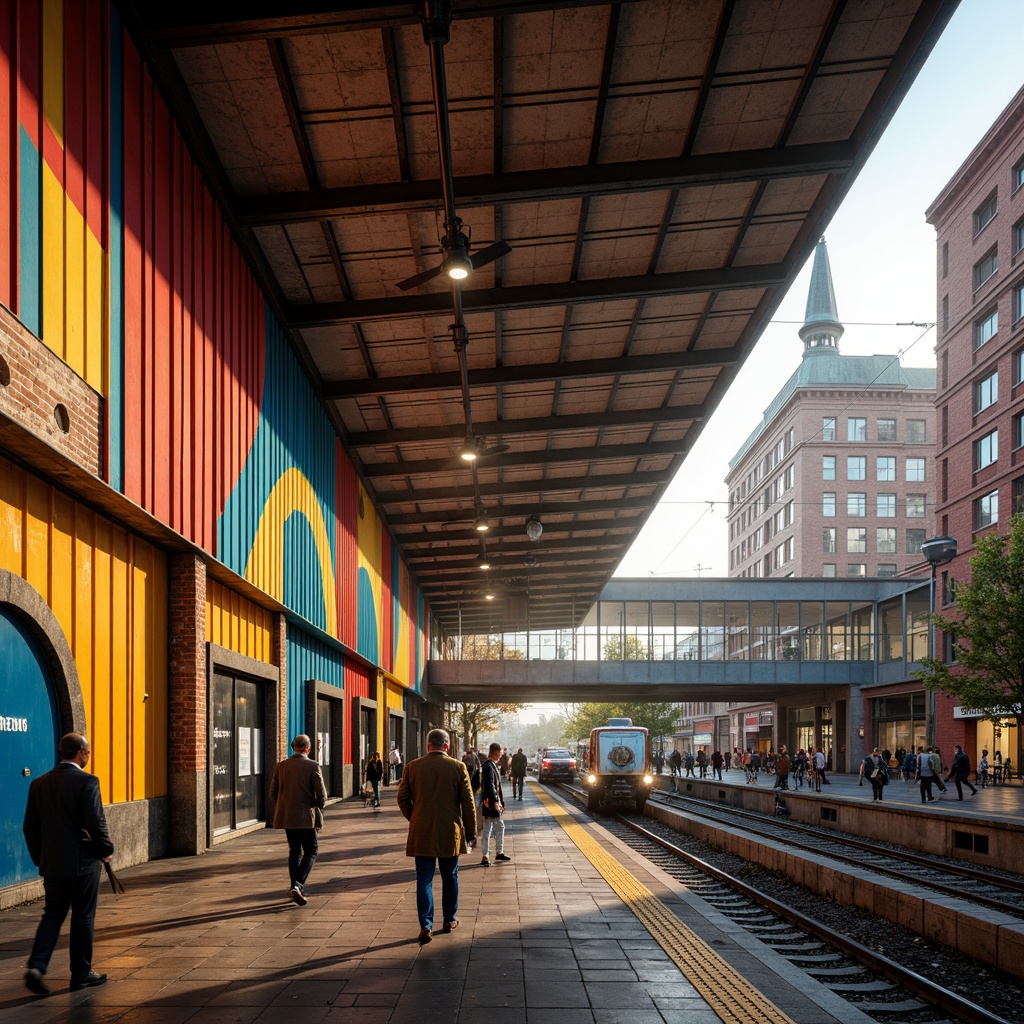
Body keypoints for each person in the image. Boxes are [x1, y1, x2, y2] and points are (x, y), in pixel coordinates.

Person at [22, 732, 114, 995]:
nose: (88, 756)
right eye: (87, 752)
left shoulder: (38, 784)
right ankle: (81, 973)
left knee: (53, 914)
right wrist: (106, 850)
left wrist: (41, 857)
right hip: (82, 863)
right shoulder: (87, 782)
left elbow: (30, 827)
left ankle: (37, 965)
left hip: (52, 863)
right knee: (83, 915)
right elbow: (95, 822)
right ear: (81, 753)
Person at [397, 729, 477, 943]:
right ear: (447, 746)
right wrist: (471, 832)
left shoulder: (412, 767)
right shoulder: (458, 767)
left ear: (428, 745)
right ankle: (450, 920)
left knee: (424, 878)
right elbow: (468, 803)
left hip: (422, 831)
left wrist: (415, 819)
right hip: (449, 832)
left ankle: (426, 926)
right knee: (450, 876)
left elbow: (402, 799)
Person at [269, 734, 326, 907]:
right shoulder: (312, 765)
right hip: (306, 816)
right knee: (311, 850)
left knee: (294, 851)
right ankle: (297, 885)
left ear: (293, 747)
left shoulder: (281, 766)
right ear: (308, 748)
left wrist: (285, 804)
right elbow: (321, 794)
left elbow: (273, 792)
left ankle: (294, 887)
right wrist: (317, 805)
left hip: (288, 816)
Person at [479, 742, 510, 866]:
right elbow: (490, 785)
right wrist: (495, 801)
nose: (501, 755)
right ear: (496, 753)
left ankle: (497, 852)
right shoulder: (488, 766)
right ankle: (487, 855)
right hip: (491, 803)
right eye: (500, 753)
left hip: (491, 802)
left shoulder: (490, 765)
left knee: (497, 827)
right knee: (488, 829)